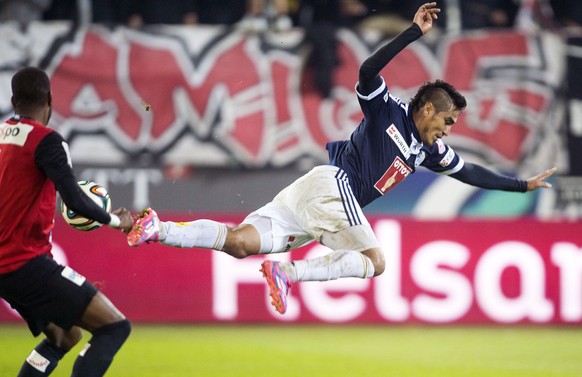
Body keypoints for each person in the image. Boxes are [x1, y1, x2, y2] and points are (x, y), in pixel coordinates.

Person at [126, 2, 557, 315]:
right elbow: (367, 72)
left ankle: (156, 227)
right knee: (377, 262)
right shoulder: (386, 110)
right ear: (427, 109)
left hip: (314, 197)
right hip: (333, 187)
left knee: (240, 243)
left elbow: (472, 173)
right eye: (447, 121)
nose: (448, 130)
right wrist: (412, 33)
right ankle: (288, 275)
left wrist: (523, 185)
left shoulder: (429, 150)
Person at [0, 67, 134, 376]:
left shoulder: (4, 137)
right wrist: (117, 220)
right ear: (49, 99)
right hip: (26, 263)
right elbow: (74, 201)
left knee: (64, 335)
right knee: (114, 328)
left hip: (7, 266)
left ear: (13, 100)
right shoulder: (47, 141)